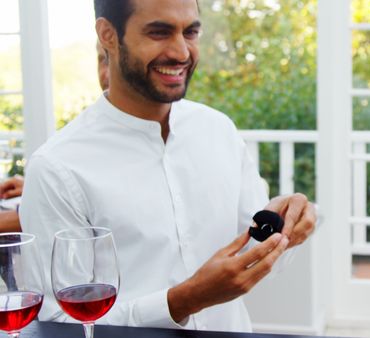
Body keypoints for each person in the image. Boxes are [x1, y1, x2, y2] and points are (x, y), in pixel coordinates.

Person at [20, 0, 315, 332]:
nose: (181, 52)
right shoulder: (57, 167)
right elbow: (59, 322)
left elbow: (254, 249)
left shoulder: (219, 130)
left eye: (190, 32)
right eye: (159, 32)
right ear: (108, 35)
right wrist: (181, 301)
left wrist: (286, 225)